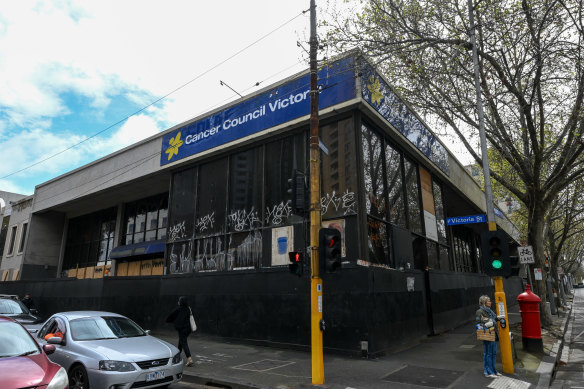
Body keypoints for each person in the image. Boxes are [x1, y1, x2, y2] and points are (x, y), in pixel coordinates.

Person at [476, 295, 503, 378]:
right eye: (488, 301)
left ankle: (494, 370)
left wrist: (498, 318)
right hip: (487, 334)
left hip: (493, 333)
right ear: (484, 302)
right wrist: (489, 321)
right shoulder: (480, 311)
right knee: (488, 354)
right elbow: (478, 321)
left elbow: (493, 320)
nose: (490, 302)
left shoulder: (490, 311)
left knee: (494, 353)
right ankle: (488, 371)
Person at [166, 296, 194, 366]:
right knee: (181, 342)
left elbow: (169, 318)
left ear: (181, 302)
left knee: (183, 343)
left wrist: (173, 321)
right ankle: (177, 357)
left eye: (179, 300)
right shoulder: (188, 309)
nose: (178, 302)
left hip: (182, 329)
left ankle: (189, 359)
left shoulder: (178, 310)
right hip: (188, 329)